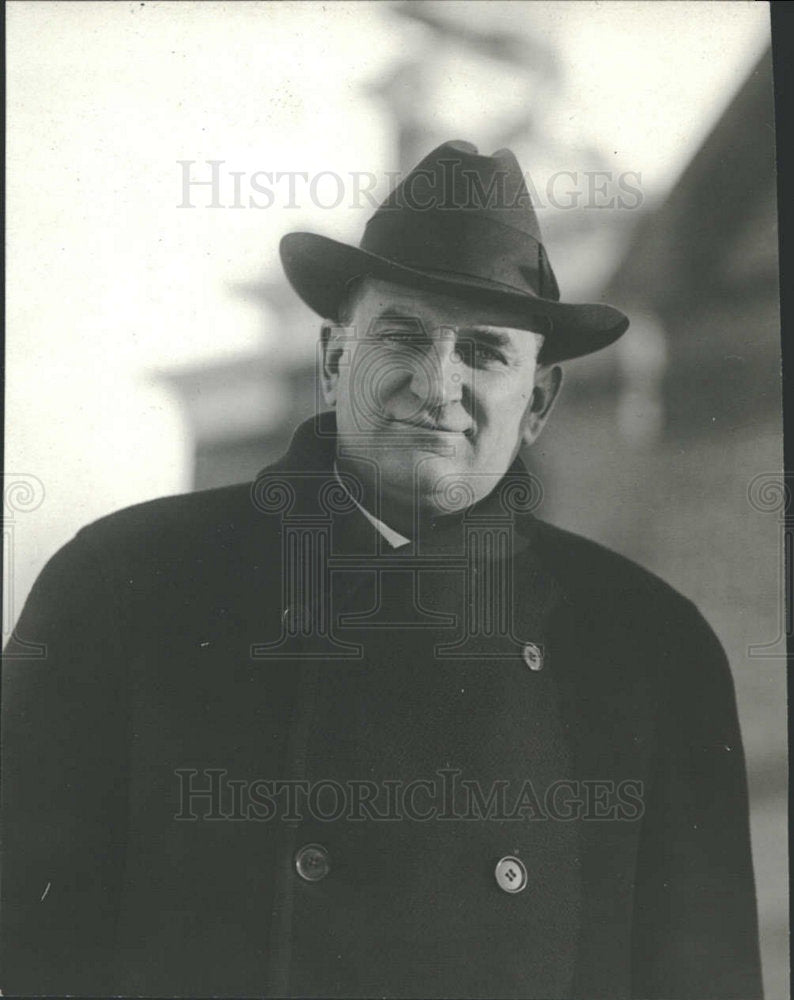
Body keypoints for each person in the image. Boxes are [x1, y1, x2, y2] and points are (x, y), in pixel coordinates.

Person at [1, 141, 762, 999]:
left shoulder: (652, 650)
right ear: (333, 362)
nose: (435, 385)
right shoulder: (121, 588)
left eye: (483, 353)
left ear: (540, 401)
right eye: (402, 337)